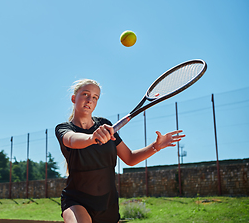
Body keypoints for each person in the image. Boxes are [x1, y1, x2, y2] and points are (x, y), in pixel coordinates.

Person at [55, 79, 185, 223]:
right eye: (85, 94)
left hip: (108, 204)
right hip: (76, 201)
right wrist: (93, 138)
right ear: (74, 98)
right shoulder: (63, 129)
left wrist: (155, 146)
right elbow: (72, 140)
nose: (89, 100)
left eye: (94, 97)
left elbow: (129, 158)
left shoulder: (105, 125)